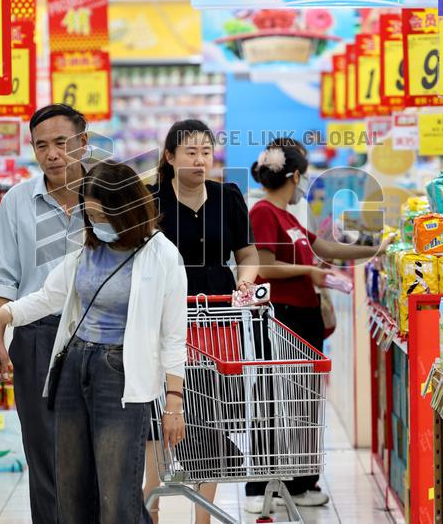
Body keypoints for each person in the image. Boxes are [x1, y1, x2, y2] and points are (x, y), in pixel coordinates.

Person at [0, 162, 188, 524]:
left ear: (126, 208)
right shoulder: (88, 247)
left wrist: (174, 403)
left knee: (117, 492)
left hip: (121, 377)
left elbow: (174, 336)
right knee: (70, 487)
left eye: (100, 214)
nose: (94, 222)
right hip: (74, 366)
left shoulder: (162, 256)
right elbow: (48, 297)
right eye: (90, 214)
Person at [244, 141, 395, 511]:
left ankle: (298, 482)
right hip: (281, 317)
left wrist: (375, 250)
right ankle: (260, 484)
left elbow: (323, 248)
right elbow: (266, 265)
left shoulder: (290, 218)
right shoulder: (264, 212)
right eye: (304, 176)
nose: (304, 182)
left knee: (304, 400)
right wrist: (310, 272)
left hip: (303, 317)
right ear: (294, 175)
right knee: (276, 398)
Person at [144, 119, 260, 524]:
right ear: (170, 157)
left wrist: (244, 285)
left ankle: (203, 516)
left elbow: (247, 255)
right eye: (190, 152)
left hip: (219, 316)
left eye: (205, 152)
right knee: (159, 415)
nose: (199, 160)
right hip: (163, 318)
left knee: (212, 413)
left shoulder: (228, 196)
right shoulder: (151, 199)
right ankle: (151, 502)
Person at [0, 104, 89, 524]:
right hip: (35, 336)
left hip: (100, 337)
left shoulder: (109, 197)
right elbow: (2, 277)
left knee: (99, 446)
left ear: (83, 142)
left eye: (62, 143)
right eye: (42, 145)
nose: (53, 154)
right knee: (44, 450)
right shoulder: (17, 201)